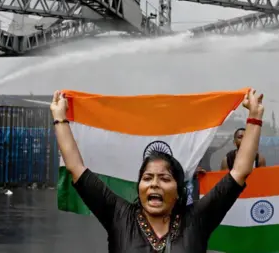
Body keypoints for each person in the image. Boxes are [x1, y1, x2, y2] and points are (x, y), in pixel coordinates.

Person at [50, 88, 265, 253]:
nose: (154, 184)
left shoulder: (198, 218)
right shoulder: (119, 215)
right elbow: (76, 168)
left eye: (164, 178)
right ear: (139, 186)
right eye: (147, 178)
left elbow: (239, 172)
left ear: (179, 190)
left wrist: (254, 117)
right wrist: (60, 118)